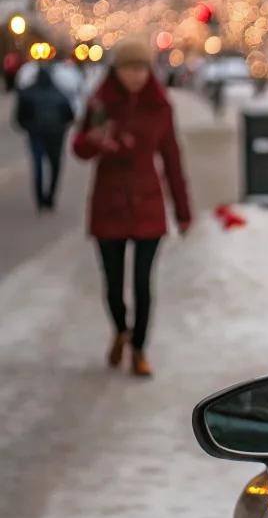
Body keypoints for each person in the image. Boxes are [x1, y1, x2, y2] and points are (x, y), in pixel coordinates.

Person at [73, 37, 191, 378]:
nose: (136, 75)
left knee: (142, 283)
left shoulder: (159, 106)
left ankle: (139, 348)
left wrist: (183, 211)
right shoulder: (100, 103)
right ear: (117, 71)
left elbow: (172, 158)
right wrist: (96, 140)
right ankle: (120, 330)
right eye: (129, 68)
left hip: (146, 203)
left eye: (142, 68)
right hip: (108, 202)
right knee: (113, 284)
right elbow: (79, 148)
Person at [13, 63, 74, 210]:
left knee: (38, 165)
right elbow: (69, 116)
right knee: (55, 166)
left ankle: (40, 199)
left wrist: (29, 127)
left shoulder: (27, 93)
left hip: (36, 133)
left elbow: (20, 118)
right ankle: (50, 197)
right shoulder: (60, 94)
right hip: (55, 134)